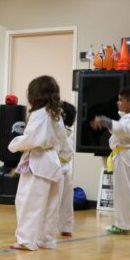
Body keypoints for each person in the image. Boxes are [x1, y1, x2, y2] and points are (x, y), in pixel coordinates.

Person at [8, 75, 70, 251]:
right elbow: (62, 139)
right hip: (53, 162)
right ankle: (46, 239)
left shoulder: (38, 114)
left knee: (27, 202)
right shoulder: (56, 114)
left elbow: (32, 138)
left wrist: (14, 144)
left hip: (38, 161)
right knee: (51, 205)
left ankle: (26, 240)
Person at [90, 86, 130, 235]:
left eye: (121, 100)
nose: (118, 103)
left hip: (126, 157)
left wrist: (105, 120)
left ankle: (123, 225)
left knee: (123, 192)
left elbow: (121, 129)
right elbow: (121, 127)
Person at [57, 101, 77, 237]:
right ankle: (66, 227)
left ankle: (46, 230)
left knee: (53, 202)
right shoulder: (69, 134)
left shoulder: (60, 133)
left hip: (56, 169)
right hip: (66, 170)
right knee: (66, 202)